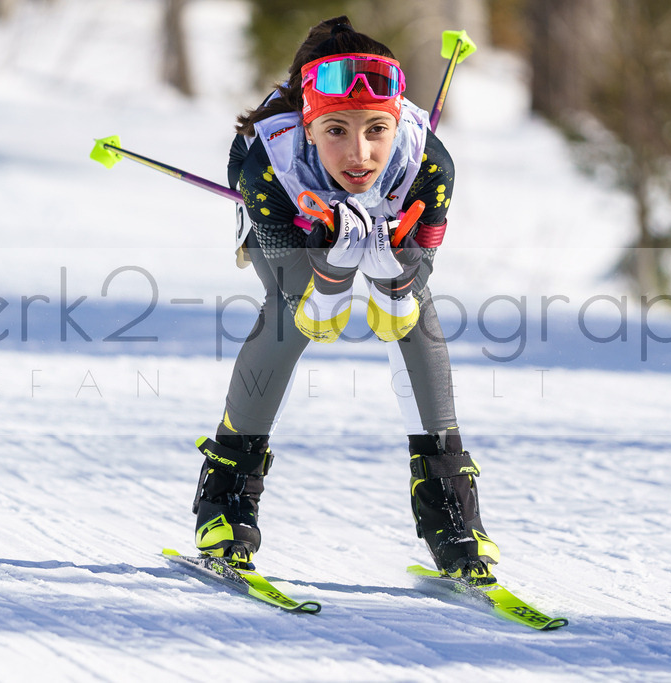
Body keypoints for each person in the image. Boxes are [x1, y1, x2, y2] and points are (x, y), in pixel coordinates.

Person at [191, 16, 499, 580]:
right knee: (292, 319)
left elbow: (413, 278)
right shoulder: (269, 164)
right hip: (291, 217)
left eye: (376, 129)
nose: (360, 154)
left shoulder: (428, 163)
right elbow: (304, 301)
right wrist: (332, 264)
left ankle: (450, 509)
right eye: (336, 130)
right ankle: (227, 500)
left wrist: (396, 274)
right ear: (307, 127)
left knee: (408, 310)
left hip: (388, 217)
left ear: (396, 122)